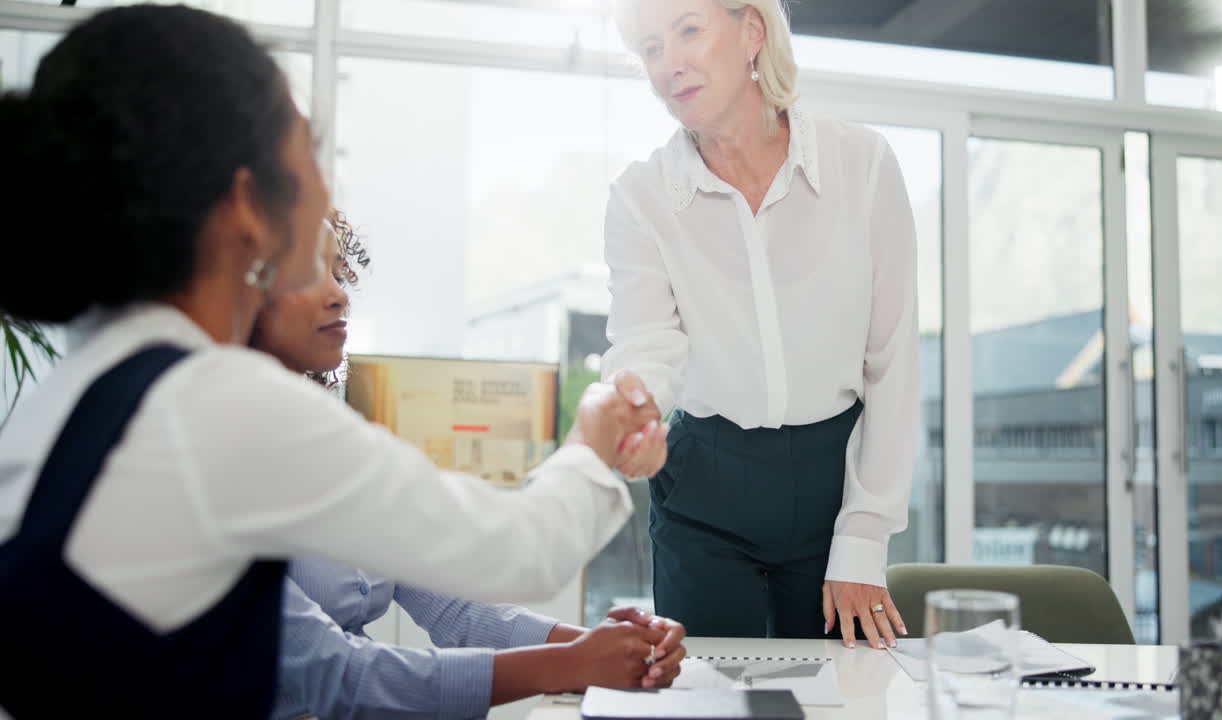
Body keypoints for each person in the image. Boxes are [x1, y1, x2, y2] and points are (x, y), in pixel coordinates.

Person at [0, 6, 662, 717]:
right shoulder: (219, 403)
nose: (325, 182)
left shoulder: (73, 397)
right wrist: (596, 435)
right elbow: (521, 550)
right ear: (249, 203)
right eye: (309, 147)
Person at [254, 212, 685, 718]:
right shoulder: (224, 449)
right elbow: (341, 675)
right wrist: (573, 662)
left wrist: (617, 647)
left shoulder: (324, 437)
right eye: (309, 272)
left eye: (337, 269)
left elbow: (455, 608)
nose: (339, 294)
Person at [603, 0, 919, 650]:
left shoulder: (862, 165)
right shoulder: (641, 197)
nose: (671, 64)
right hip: (702, 486)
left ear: (752, 32)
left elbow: (891, 362)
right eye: (653, 48)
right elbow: (646, 347)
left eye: (688, 30)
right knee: (711, 697)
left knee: (838, 696)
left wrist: (863, 536)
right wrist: (635, 417)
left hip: (832, 479)